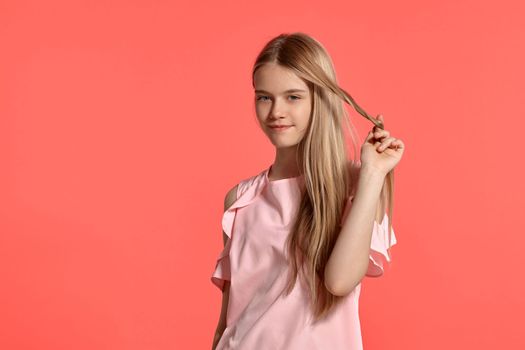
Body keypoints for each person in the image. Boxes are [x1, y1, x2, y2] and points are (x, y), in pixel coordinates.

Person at [210, 32, 405, 350]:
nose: (276, 112)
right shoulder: (239, 200)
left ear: (320, 98)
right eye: (264, 97)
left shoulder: (357, 186)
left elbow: (339, 281)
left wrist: (372, 173)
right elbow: (227, 321)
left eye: (293, 97)